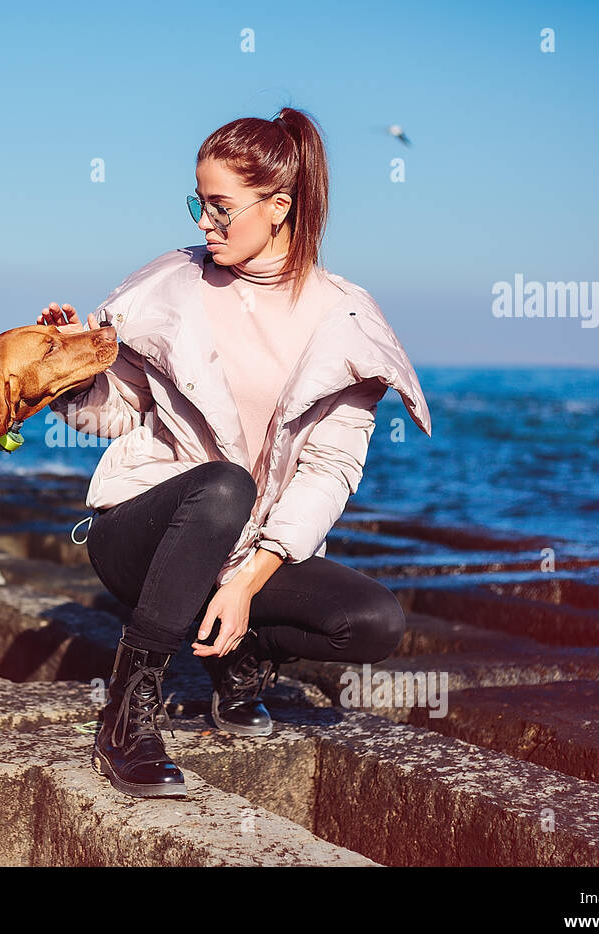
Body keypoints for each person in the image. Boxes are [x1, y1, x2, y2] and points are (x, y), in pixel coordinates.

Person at [38, 106, 433, 799]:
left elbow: (329, 471)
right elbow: (112, 413)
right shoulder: (167, 288)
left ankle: (240, 656)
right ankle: (127, 720)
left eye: (221, 208)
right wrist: (67, 370)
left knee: (374, 621)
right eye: (198, 203)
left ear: (279, 206)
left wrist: (247, 583)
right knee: (223, 487)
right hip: (139, 531)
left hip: (240, 549)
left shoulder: (344, 319)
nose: (203, 224)